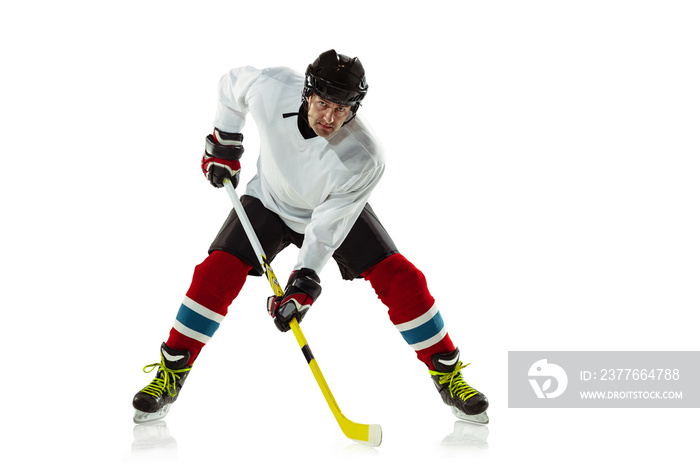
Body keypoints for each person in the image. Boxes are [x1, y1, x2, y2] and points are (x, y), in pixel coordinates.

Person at [132, 50, 489, 426]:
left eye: (342, 109)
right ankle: (171, 372)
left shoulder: (364, 157)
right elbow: (231, 84)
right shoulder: (271, 87)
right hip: (268, 200)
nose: (330, 118)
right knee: (214, 274)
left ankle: (448, 374)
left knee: (404, 280)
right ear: (306, 93)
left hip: (327, 210)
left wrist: (304, 280)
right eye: (322, 104)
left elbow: (327, 228)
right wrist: (226, 141)